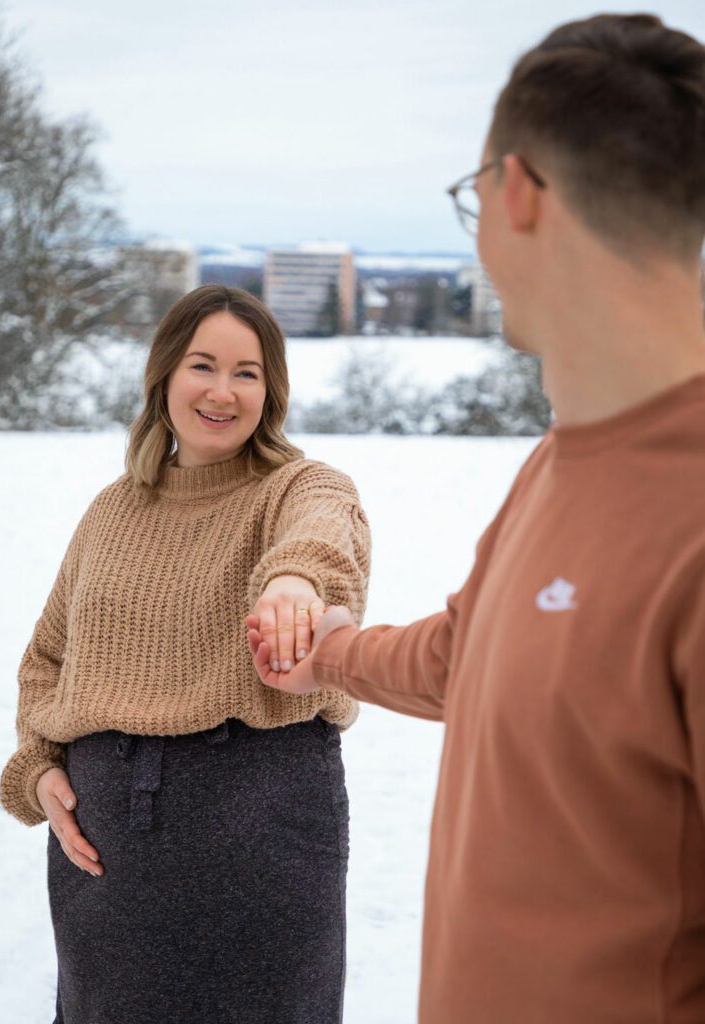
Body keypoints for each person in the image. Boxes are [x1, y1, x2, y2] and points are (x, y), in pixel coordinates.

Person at [248, 13, 705, 1023]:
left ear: (518, 193)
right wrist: (334, 655)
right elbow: (475, 656)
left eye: (472, 199)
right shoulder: (559, 460)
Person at [0, 284, 371, 1024]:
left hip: (260, 831)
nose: (222, 392)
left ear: (271, 393)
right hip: (107, 857)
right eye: (204, 365)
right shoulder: (113, 509)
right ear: (164, 376)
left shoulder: (302, 487)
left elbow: (322, 540)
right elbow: (48, 658)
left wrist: (293, 583)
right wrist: (37, 769)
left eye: (248, 373)